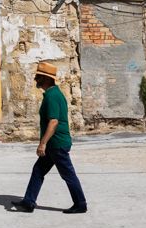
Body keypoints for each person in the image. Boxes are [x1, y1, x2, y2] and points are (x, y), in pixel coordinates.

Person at [10, 62, 88, 214]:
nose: (35, 79)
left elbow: (53, 122)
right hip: (54, 144)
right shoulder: (54, 94)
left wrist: (42, 144)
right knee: (38, 170)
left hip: (56, 144)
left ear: (45, 78)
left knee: (68, 175)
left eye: (38, 77)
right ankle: (28, 202)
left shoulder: (52, 96)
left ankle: (80, 204)